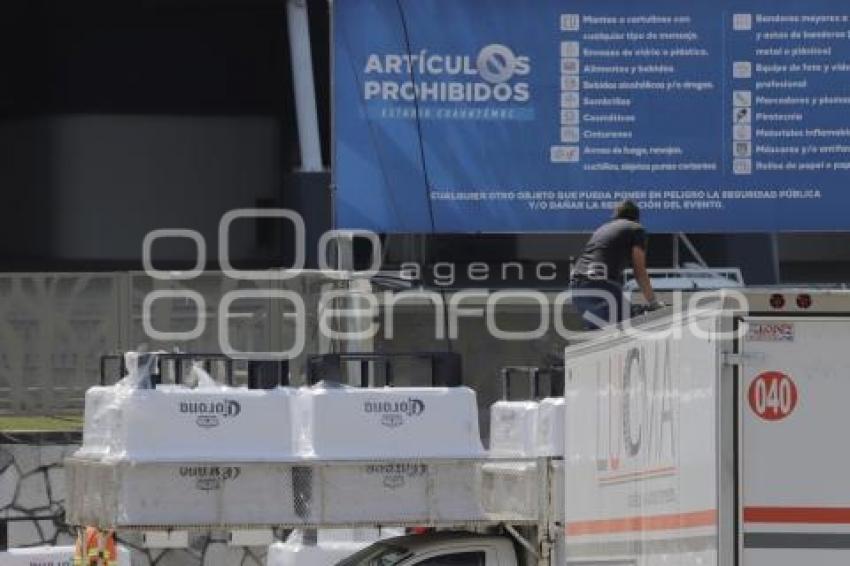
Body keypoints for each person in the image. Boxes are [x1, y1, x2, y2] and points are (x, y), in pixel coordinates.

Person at [569, 200, 663, 329]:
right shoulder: (636, 229)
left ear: (616, 215)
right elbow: (639, 271)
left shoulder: (603, 228)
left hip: (577, 290)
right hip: (600, 285)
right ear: (637, 217)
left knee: (601, 332)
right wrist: (653, 303)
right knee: (632, 323)